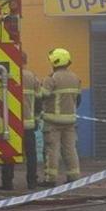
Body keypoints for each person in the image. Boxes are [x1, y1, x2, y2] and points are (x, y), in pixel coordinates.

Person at [41, 48, 82, 185]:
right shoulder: (76, 78)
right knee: (70, 149)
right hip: (70, 120)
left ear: (54, 61)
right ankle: (74, 177)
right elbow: (79, 99)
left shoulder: (52, 78)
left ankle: (50, 179)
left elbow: (43, 96)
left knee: (52, 150)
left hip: (53, 121)